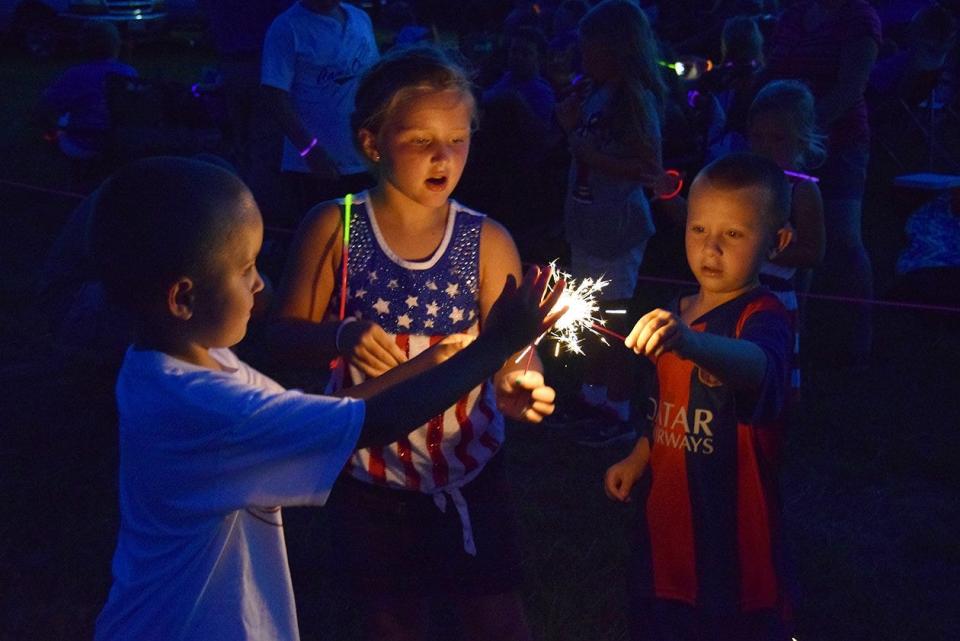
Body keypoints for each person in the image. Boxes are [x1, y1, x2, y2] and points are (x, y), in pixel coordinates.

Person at [90, 155, 564, 641]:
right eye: (246, 268)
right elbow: (371, 424)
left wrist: (432, 361)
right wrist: (495, 348)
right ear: (183, 298)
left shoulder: (179, 363)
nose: (260, 283)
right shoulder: (202, 407)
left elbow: (334, 415)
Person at [267, 45, 555, 641]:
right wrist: (339, 334)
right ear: (372, 142)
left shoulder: (486, 241)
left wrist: (520, 379)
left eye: (457, 138)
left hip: (468, 469)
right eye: (421, 140)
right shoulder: (335, 227)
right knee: (392, 620)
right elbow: (281, 337)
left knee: (494, 614)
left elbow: (512, 344)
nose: (443, 156)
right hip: (371, 476)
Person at [604, 152, 795, 641]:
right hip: (666, 527)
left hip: (729, 530)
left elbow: (760, 368)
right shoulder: (675, 314)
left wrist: (692, 344)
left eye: (733, 234)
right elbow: (662, 407)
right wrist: (639, 455)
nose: (711, 248)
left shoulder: (763, 316)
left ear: (777, 243)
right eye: (698, 230)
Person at [554, 0, 672, 446]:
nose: (584, 60)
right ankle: (592, 396)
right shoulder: (596, 92)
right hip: (588, 219)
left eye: (591, 51)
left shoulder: (633, 98)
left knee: (613, 316)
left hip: (617, 223)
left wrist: (583, 148)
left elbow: (648, 166)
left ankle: (618, 407)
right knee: (586, 312)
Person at [765, 0, 882, 365]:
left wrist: (807, 130)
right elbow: (775, 69)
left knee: (844, 236)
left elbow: (851, 87)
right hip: (789, 141)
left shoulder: (859, 18)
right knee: (791, 232)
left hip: (841, 138)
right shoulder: (796, 14)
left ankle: (862, 329)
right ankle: (794, 328)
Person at [260, 0, 379, 226]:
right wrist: (310, 150)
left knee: (364, 233)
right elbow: (275, 94)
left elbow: (374, 77)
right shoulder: (287, 27)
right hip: (317, 166)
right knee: (323, 235)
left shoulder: (360, 19)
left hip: (363, 157)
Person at [748, 79, 826, 395]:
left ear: (802, 140)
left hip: (773, 296)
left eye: (778, 139)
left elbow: (813, 252)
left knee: (768, 371)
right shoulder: (744, 180)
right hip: (734, 292)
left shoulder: (802, 190)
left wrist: (764, 252)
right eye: (757, 137)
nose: (766, 147)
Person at [38, 20, 137, 187]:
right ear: (117, 45)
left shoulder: (74, 75)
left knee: (63, 118)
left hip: (82, 143)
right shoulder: (129, 72)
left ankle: (78, 176)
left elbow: (47, 104)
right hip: (119, 141)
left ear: (83, 46)